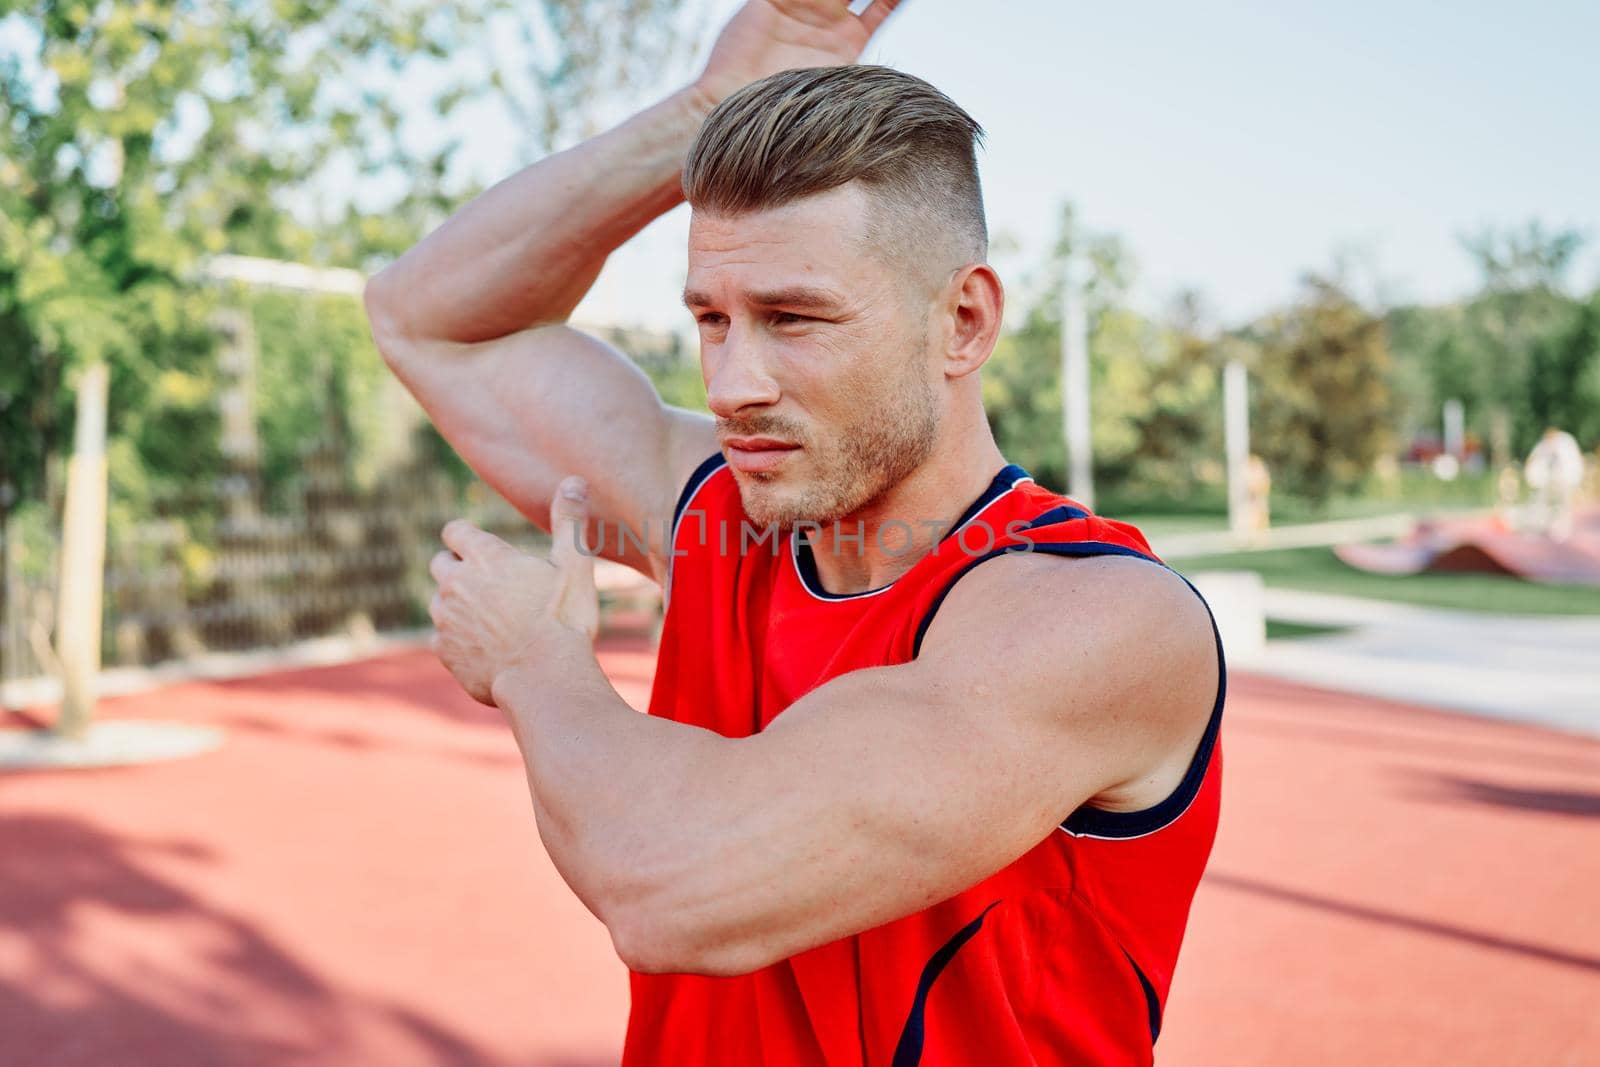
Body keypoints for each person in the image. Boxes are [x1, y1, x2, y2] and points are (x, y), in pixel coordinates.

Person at [364, 1, 1224, 1063]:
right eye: (711, 320)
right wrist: (697, 117)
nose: (732, 385)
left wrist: (533, 658)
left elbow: (675, 881)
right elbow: (424, 318)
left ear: (962, 322)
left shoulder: (1092, 619)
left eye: (793, 318)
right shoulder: (719, 507)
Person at [1523, 426, 1585, 540]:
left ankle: (1563, 530)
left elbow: (1574, 459)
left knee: (1563, 506)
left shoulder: (1566, 442)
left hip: (1565, 479)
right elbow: (1533, 458)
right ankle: (1543, 527)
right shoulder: (1544, 444)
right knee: (1544, 504)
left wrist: (1576, 478)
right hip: (1549, 481)